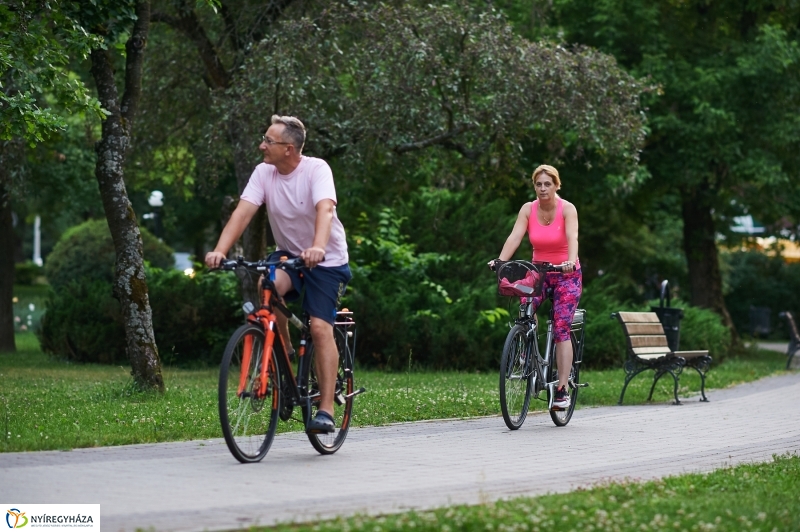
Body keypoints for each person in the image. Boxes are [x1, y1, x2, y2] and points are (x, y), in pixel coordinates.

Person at [205, 115, 351, 434]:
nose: (262, 145)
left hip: (325, 259)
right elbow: (243, 213)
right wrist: (220, 250)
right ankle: (282, 347)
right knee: (267, 284)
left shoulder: (316, 170)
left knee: (320, 329)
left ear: (289, 148)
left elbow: (325, 210)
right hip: (289, 255)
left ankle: (325, 410)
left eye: (268, 141)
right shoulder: (264, 173)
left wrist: (316, 247)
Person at [489, 164, 581, 409]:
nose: (542, 188)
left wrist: (570, 261)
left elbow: (573, 236)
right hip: (539, 271)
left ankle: (561, 389)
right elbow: (515, 236)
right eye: (538, 184)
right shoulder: (528, 209)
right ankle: (527, 350)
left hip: (565, 274)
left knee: (561, 326)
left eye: (547, 184)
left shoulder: (567, 209)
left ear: (556, 185)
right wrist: (500, 262)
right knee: (525, 307)